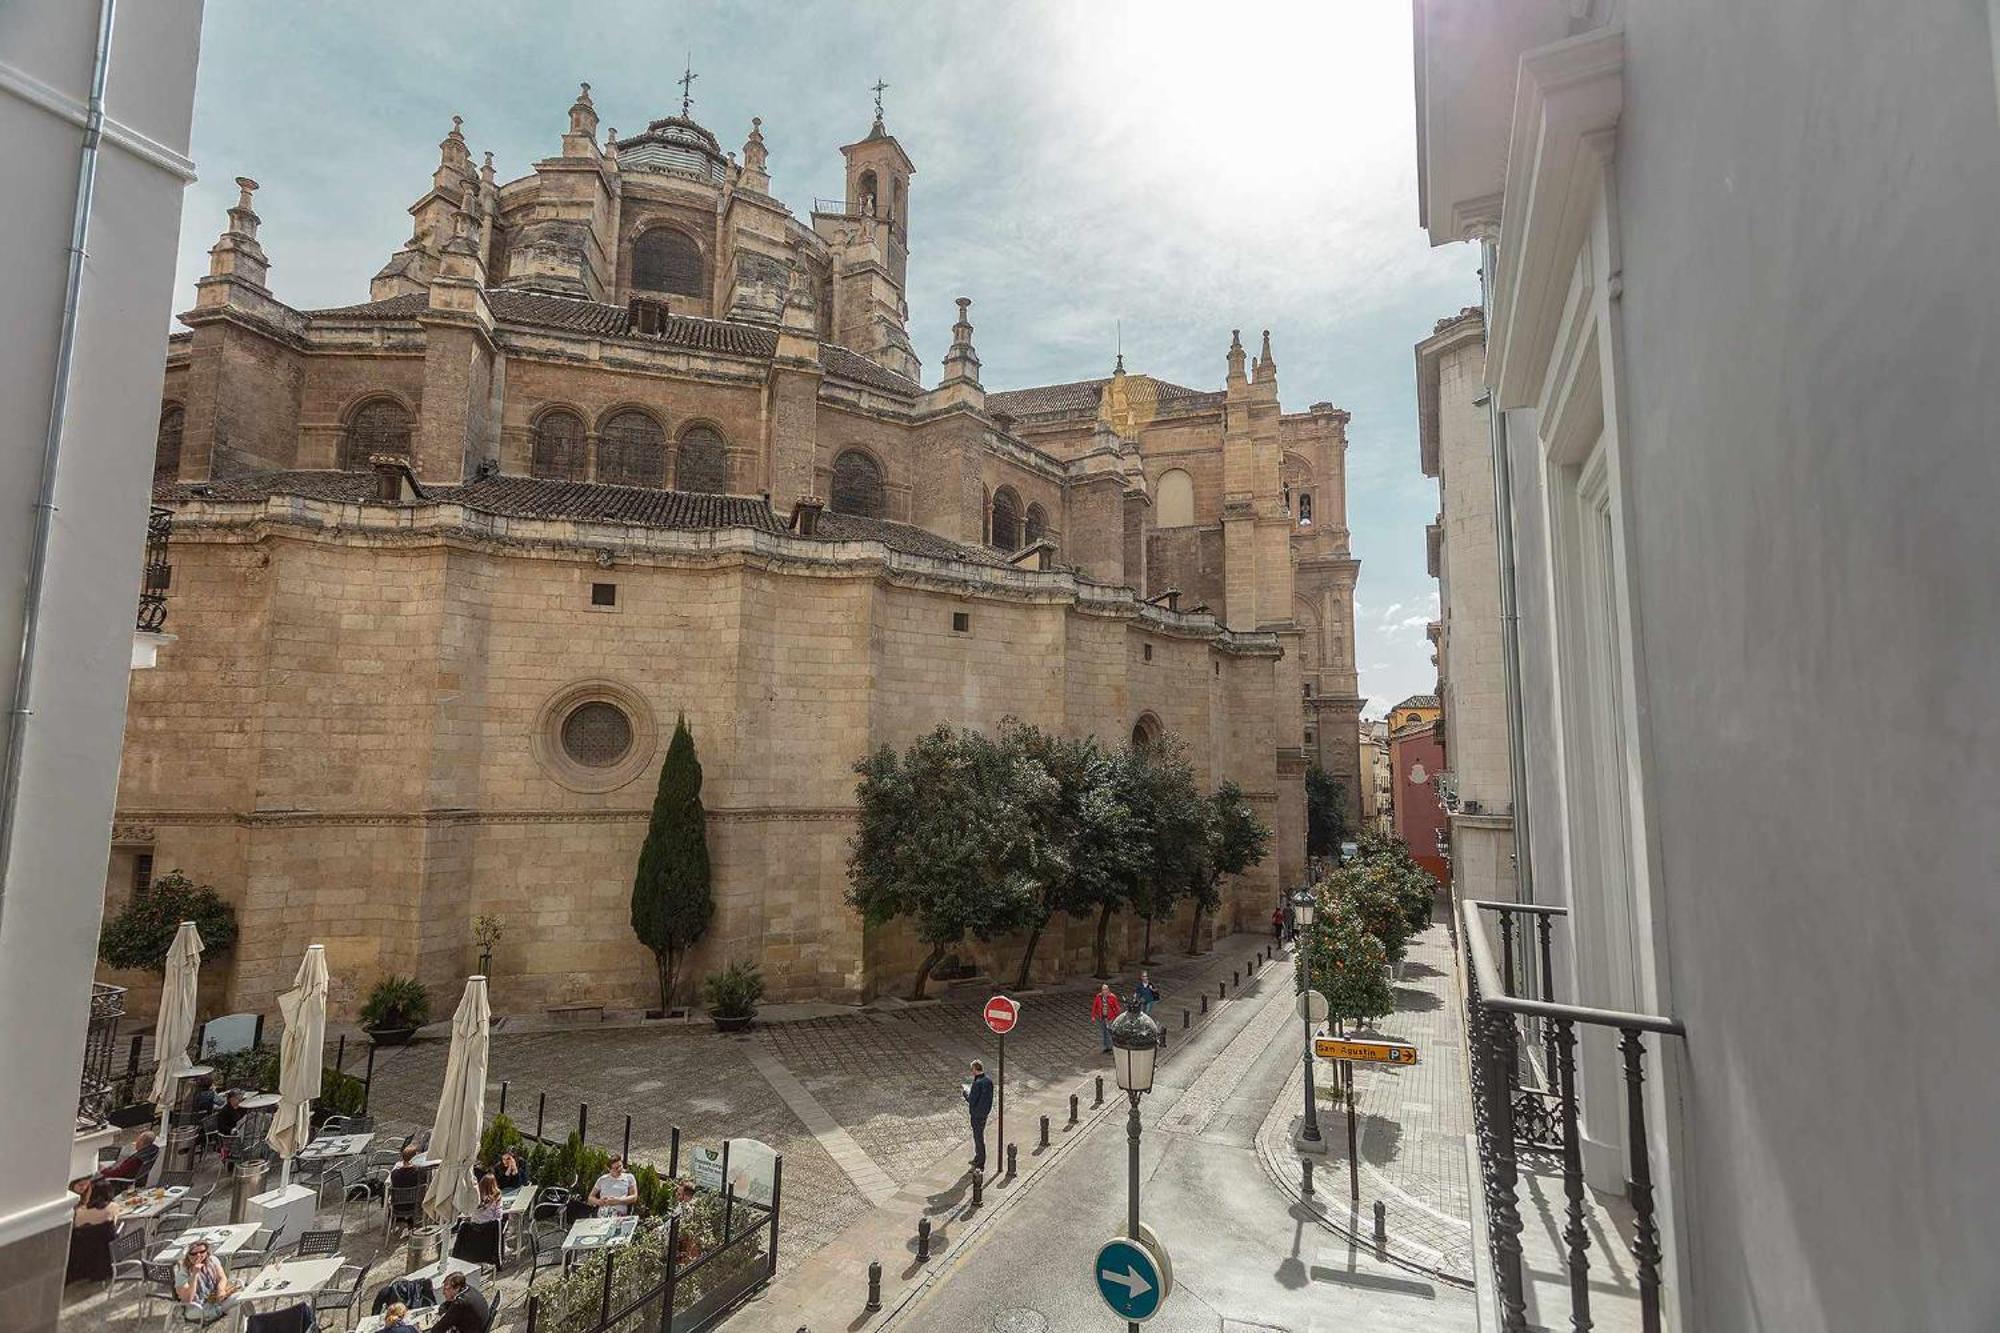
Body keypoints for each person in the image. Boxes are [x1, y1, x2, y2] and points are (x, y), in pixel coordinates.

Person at [66, 1178, 122, 1284]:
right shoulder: (113, 1208)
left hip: (85, 1258)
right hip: (107, 1257)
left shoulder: (78, 1213)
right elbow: (113, 1226)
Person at [174, 1239, 239, 1319]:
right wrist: (194, 1275)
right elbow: (187, 1300)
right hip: (196, 1308)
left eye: (202, 1252)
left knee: (237, 1308)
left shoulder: (212, 1260)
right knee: (238, 1299)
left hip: (214, 1299)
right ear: (188, 1255)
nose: (198, 1256)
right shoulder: (182, 1274)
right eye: (193, 1254)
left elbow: (222, 1277)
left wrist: (220, 1289)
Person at [962, 1060, 994, 1175]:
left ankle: (980, 1163)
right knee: (979, 1136)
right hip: (984, 1113)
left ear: (975, 1069)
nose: (971, 1072)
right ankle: (977, 1157)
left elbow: (971, 1100)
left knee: (978, 1138)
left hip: (976, 1115)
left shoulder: (977, 1083)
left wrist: (966, 1093)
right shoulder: (988, 1081)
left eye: (972, 1070)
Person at [1091, 983, 1122, 1053]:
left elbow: (1116, 1007)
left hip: (1110, 1018)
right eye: (1103, 990)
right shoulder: (1098, 997)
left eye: (1105, 990)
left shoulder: (1112, 997)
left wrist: (1118, 1016)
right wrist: (1093, 1016)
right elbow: (1094, 1006)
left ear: (1108, 990)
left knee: (1109, 1033)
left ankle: (1111, 1047)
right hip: (1101, 1017)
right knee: (1104, 1032)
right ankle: (1106, 1047)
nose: (1104, 991)